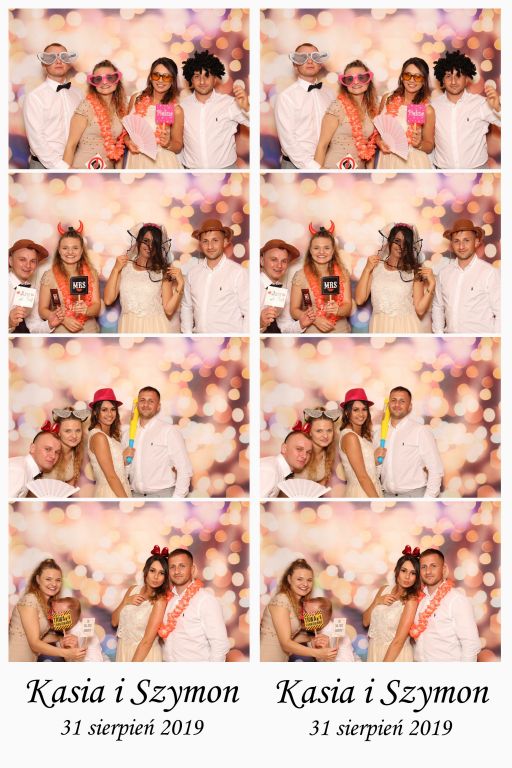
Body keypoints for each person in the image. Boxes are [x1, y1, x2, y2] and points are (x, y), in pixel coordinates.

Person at [103, 223, 184, 333]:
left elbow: (169, 310)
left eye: (154, 243)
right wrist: (115, 269)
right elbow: (108, 300)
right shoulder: (124, 267)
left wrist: (181, 285)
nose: (150, 246)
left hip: (155, 328)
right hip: (128, 327)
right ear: (138, 241)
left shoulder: (163, 272)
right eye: (146, 241)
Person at [355, 223, 435, 333]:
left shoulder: (414, 272)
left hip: (406, 327)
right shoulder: (375, 267)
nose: (401, 246)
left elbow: (420, 310)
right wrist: (366, 269)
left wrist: (432, 285)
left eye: (406, 243)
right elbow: (359, 300)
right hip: (379, 327)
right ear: (389, 241)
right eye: (397, 241)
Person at [432, 50, 501, 169]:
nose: (453, 81)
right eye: (448, 76)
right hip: (443, 171)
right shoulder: (433, 106)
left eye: (458, 75)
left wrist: (498, 108)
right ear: (442, 79)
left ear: (467, 79)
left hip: (478, 170)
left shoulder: (481, 103)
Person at [180, 50, 249, 169]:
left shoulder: (229, 103)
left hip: (227, 170)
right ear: (191, 79)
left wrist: (247, 107)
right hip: (192, 171)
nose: (202, 81)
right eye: (197, 76)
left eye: (207, 75)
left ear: (215, 78)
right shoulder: (182, 107)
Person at [158, 549, 230, 662]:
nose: (177, 571)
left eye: (182, 566)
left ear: (192, 569)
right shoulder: (168, 600)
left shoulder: (205, 600)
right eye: (172, 567)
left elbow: (220, 646)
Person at [260, 558, 338, 662]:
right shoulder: (281, 600)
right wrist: (318, 653)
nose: (305, 584)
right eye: (300, 579)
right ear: (289, 579)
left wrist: (312, 638)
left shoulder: (296, 604)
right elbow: (286, 643)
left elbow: (287, 637)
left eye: (309, 580)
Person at [9, 558, 86, 662]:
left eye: (58, 580)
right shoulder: (30, 600)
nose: (54, 584)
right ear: (38, 579)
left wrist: (60, 638)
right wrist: (67, 653)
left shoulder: (47, 605)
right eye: (48, 579)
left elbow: (38, 636)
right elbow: (34, 644)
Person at [432, 218, 500, 333]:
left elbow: (501, 312)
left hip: (480, 340)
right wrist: (439, 334)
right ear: (451, 244)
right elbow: (438, 306)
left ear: (476, 242)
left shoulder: (489, 273)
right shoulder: (444, 274)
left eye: (466, 240)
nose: (461, 246)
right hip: (450, 340)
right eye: (456, 241)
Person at [181, 219, 249, 333]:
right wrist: (187, 334)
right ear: (200, 244)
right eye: (205, 241)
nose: (210, 246)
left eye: (215, 240)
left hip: (229, 339)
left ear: (225, 242)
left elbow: (249, 311)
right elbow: (187, 306)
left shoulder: (238, 273)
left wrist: (245, 338)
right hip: (199, 339)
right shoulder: (193, 273)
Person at [411, 548, 480, 662]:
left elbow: (471, 645)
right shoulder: (419, 600)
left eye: (433, 566)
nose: (428, 571)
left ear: (443, 569)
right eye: (424, 567)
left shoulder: (456, 600)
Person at [122, 386, 192, 497]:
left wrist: (176, 500)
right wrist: (125, 464)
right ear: (137, 404)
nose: (146, 404)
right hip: (135, 496)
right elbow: (124, 473)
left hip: (163, 495)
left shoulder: (169, 431)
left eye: (151, 401)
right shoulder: (127, 435)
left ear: (158, 406)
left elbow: (184, 469)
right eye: (142, 400)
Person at [375, 386, 444, 497]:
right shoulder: (378, 434)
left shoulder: (420, 431)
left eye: (402, 401)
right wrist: (376, 463)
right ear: (388, 404)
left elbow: (436, 469)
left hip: (414, 495)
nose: (397, 404)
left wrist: (427, 500)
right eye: (393, 400)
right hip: (387, 496)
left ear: (410, 406)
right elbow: (376, 471)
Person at [22, 43, 82, 169]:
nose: (58, 61)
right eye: (51, 57)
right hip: (43, 165)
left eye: (63, 57)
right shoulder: (35, 97)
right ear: (44, 64)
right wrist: (62, 167)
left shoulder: (79, 94)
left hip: (76, 161)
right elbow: (37, 140)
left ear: (69, 62)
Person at [274, 43, 333, 169]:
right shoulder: (286, 97)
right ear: (295, 65)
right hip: (295, 165)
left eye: (314, 57)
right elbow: (289, 141)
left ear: (320, 64)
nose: (310, 61)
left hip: (327, 161)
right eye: (303, 58)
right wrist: (314, 167)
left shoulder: (330, 93)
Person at [60, 59, 126, 169]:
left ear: (117, 80)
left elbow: (119, 147)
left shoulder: (121, 109)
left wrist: (118, 173)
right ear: (93, 83)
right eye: (98, 79)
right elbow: (71, 145)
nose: (104, 82)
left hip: (108, 172)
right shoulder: (86, 107)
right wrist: (66, 172)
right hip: (82, 169)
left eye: (110, 77)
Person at [314, 59, 378, 169]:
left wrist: (370, 173)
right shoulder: (337, 107)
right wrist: (319, 172)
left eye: (361, 77)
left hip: (359, 173)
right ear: (344, 83)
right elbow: (322, 145)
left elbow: (370, 147)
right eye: (349, 79)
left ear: (368, 80)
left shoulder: (372, 110)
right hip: (333, 170)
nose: (356, 82)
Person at [38, 224, 100, 334]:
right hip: (61, 333)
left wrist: (87, 310)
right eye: (65, 248)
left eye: (75, 248)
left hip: (89, 331)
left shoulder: (91, 273)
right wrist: (62, 319)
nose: (70, 252)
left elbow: (97, 305)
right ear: (59, 250)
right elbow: (42, 310)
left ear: (81, 250)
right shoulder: (49, 275)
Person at [290, 224, 352, 334]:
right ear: (310, 250)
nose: (321, 252)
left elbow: (348, 306)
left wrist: (338, 310)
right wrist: (314, 319)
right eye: (316, 248)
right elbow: (294, 310)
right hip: (312, 333)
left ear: (333, 251)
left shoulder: (342, 273)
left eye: (326, 248)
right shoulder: (300, 276)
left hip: (341, 332)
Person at [376, 57, 435, 169]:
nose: (412, 80)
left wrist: (419, 144)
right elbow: (378, 133)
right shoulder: (387, 99)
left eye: (417, 77)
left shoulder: (427, 110)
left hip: (413, 163)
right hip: (387, 160)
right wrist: (379, 142)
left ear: (424, 81)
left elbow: (429, 145)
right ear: (402, 77)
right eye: (407, 75)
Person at [125, 57, 183, 169]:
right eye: (156, 75)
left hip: (161, 163)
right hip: (136, 160)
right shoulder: (136, 98)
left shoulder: (176, 109)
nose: (160, 80)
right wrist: (128, 142)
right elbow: (126, 132)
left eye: (166, 77)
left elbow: (178, 145)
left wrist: (168, 143)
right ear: (150, 77)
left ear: (172, 80)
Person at [363, 548, 420, 662]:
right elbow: (365, 622)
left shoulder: (411, 600)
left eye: (413, 573)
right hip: (374, 650)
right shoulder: (384, 589)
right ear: (397, 571)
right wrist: (377, 601)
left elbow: (398, 641)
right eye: (404, 571)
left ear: (417, 577)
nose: (407, 576)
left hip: (395, 656)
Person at [113, 547, 169, 662]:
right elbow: (114, 622)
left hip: (144, 656)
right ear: (146, 571)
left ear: (165, 577)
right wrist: (126, 601)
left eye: (161, 573)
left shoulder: (160, 601)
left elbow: (147, 642)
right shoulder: (132, 590)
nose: (156, 577)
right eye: (152, 571)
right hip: (123, 651)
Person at [8, 239, 64, 333]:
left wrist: (49, 324)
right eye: (22, 259)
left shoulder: (31, 291)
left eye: (33, 261)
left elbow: (33, 326)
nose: (28, 265)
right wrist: (8, 323)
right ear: (10, 261)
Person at [260, 239, 314, 333]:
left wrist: (301, 324)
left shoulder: (282, 290)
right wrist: (260, 323)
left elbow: (285, 327)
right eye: (274, 259)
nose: (279, 265)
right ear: (262, 261)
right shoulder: (249, 286)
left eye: (284, 261)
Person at [87, 388, 131, 498]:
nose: (110, 414)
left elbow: (114, 467)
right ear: (95, 412)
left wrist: (124, 460)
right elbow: (111, 476)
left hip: (119, 489)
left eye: (113, 409)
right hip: (111, 493)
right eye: (104, 410)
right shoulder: (99, 437)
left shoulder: (109, 436)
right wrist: (127, 502)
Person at [338, 388, 381, 498]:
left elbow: (367, 467)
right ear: (347, 412)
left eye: (364, 409)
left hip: (370, 488)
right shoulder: (350, 437)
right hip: (362, 493)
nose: (361, 414)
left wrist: (376, 459)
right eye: (355, 410)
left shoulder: (362, 436)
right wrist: (378, 502)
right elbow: (362, 477)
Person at [260, 426, 313, 497]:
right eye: (299, 449)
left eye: (308, 452)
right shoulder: (270, 471)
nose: (305, 456)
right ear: (284, 448)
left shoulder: (278, 469)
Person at [9, 426, 61, 497]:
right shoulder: (19, 471)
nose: (53, 456)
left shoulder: (26, 470)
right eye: (47, 449)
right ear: (32, 448)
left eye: (57, 452)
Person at [295, 407, 340, 486]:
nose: (325, 436)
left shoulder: (328, 453)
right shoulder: (299, 452)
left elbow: (320, 487)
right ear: (309, 431)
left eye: (329, 430)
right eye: (319, 431)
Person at [302, 596, 356, 661]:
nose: (301, 616)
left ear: (320, 618)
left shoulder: (339, 635)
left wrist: (327, 654)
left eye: (306, 613)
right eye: (303, 610)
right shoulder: (308, 631)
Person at [45, 407, 89, 486]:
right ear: (58, 432)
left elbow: (69, 488)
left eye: (78, 430)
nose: (74, 436)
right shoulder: (48, 451)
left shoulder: (76, 454)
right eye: (68, 431)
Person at [50, 597, 104, 662]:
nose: (50, 616)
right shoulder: (57, 632)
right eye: (51, 611)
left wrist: (77, 655)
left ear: (70, 618)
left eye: (55, 613)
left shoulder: (87, 634)